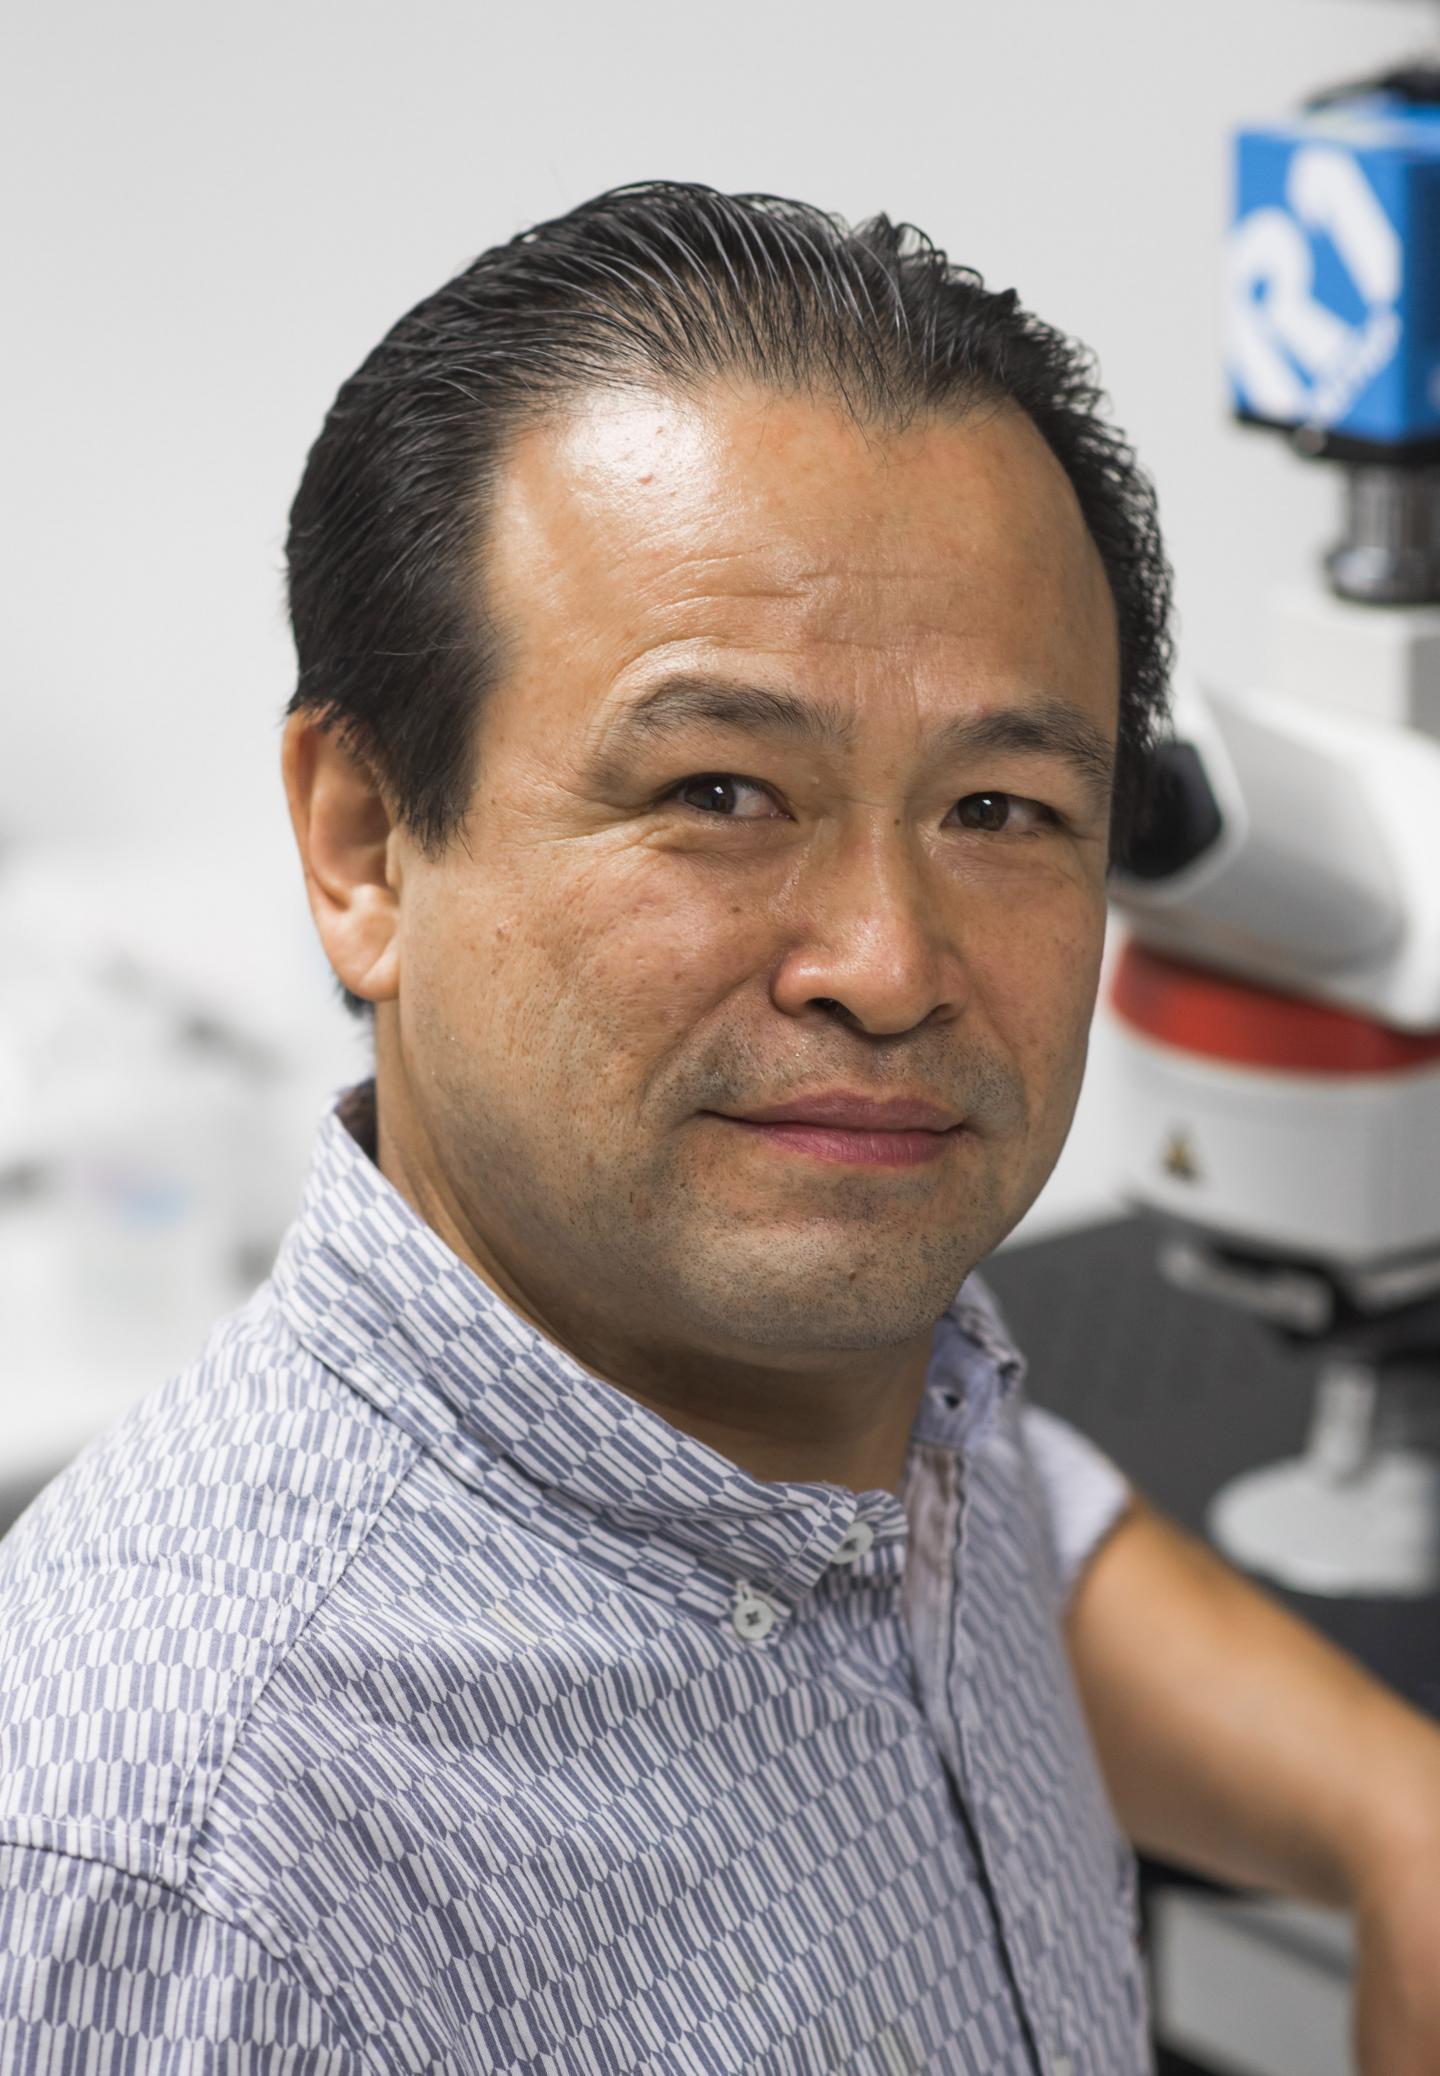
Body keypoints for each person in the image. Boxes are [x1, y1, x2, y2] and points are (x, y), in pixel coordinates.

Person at [2, 184, 1438, 2076]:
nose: (889, 965)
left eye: (999, 810)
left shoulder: (850, 1381)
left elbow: (996, 1509)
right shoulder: (195, 1875)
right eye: (720, 791)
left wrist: (1394, 1815)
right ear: (365, 847)